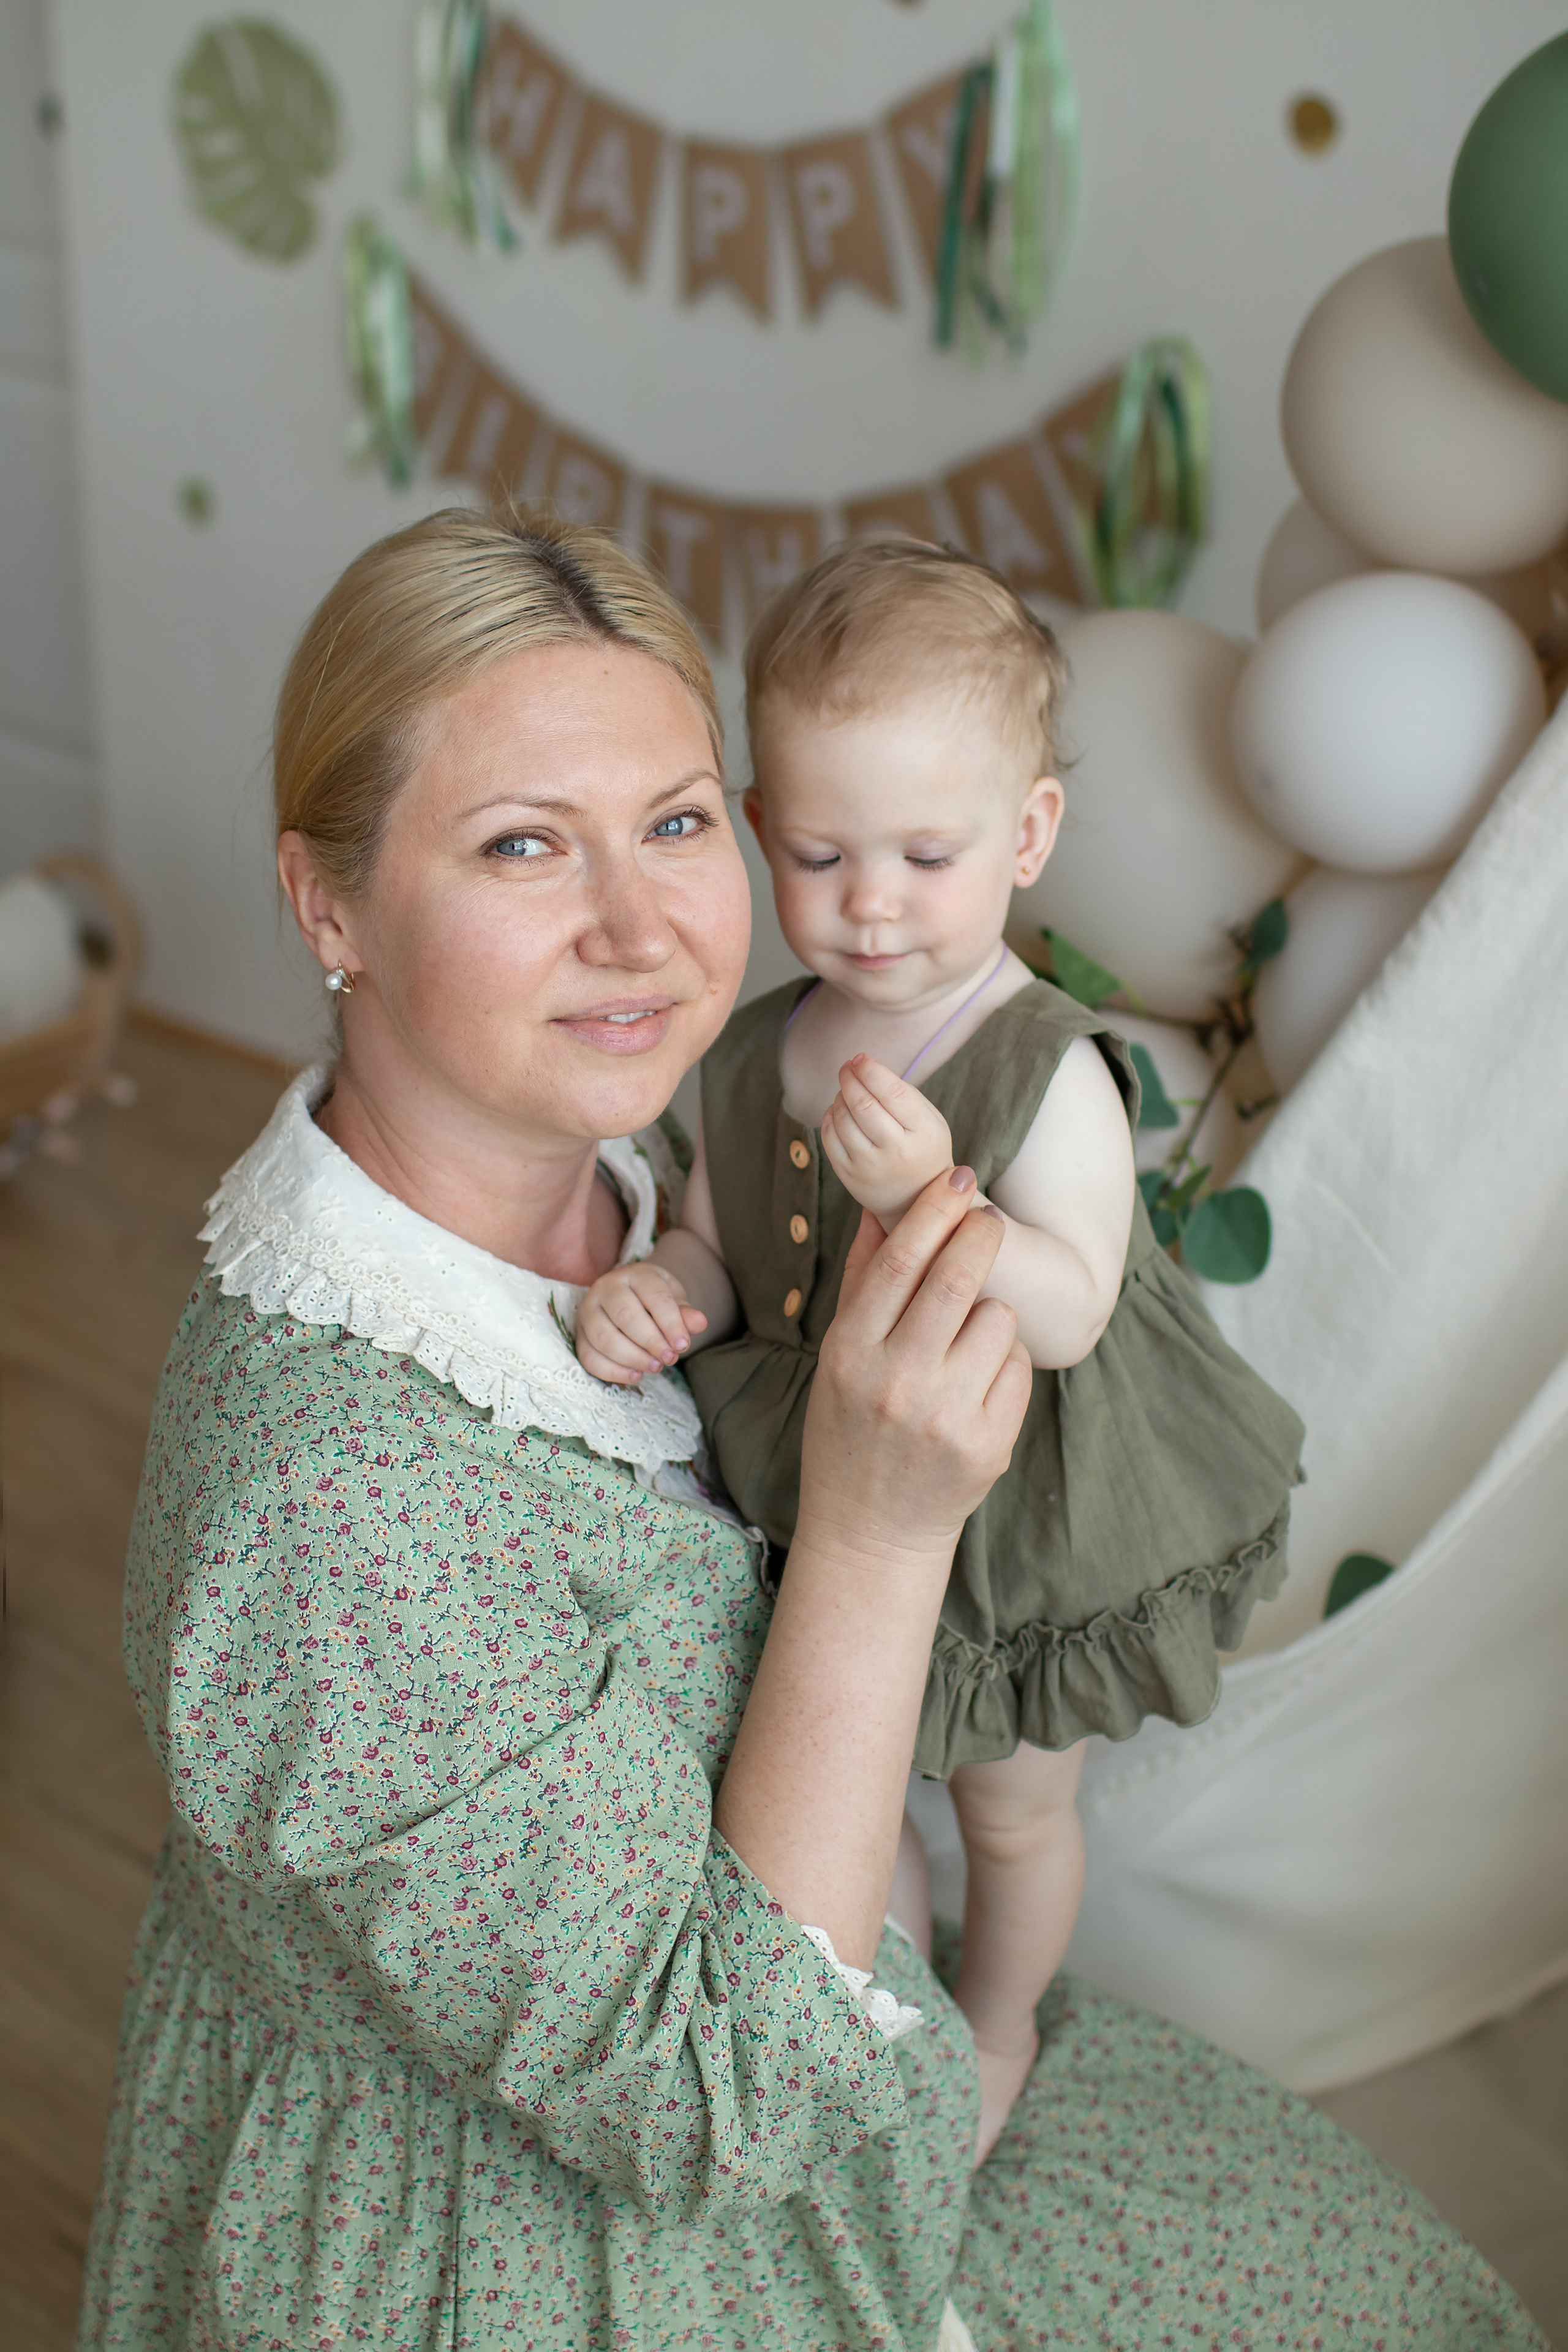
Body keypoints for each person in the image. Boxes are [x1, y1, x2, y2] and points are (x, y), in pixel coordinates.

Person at [80, 505, 1544, 2352]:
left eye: (677, 824)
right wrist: (873, 1532)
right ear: (328, 903)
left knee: (1403, 2289)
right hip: (562, 2227)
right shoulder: (326, 1510)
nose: (641, 926)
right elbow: (714, 2105)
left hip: (869, 2000)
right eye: (524, 843)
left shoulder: (632, 1140)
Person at [574, 536, 1305, 2162]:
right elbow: (717, 1235)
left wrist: (934, 1197)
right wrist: (669, 1288)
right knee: (831, 1763)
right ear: (762, 832)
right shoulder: (761, 1045)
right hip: (817, 1471)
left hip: (1016, 1505)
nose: (874, 904)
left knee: (1010, 1803)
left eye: (926, 853)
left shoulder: (1043, 1066)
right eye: (824, 855)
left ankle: (999, 2023)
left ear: (1029, 835)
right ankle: (868, 1997)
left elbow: (1070, 1306)